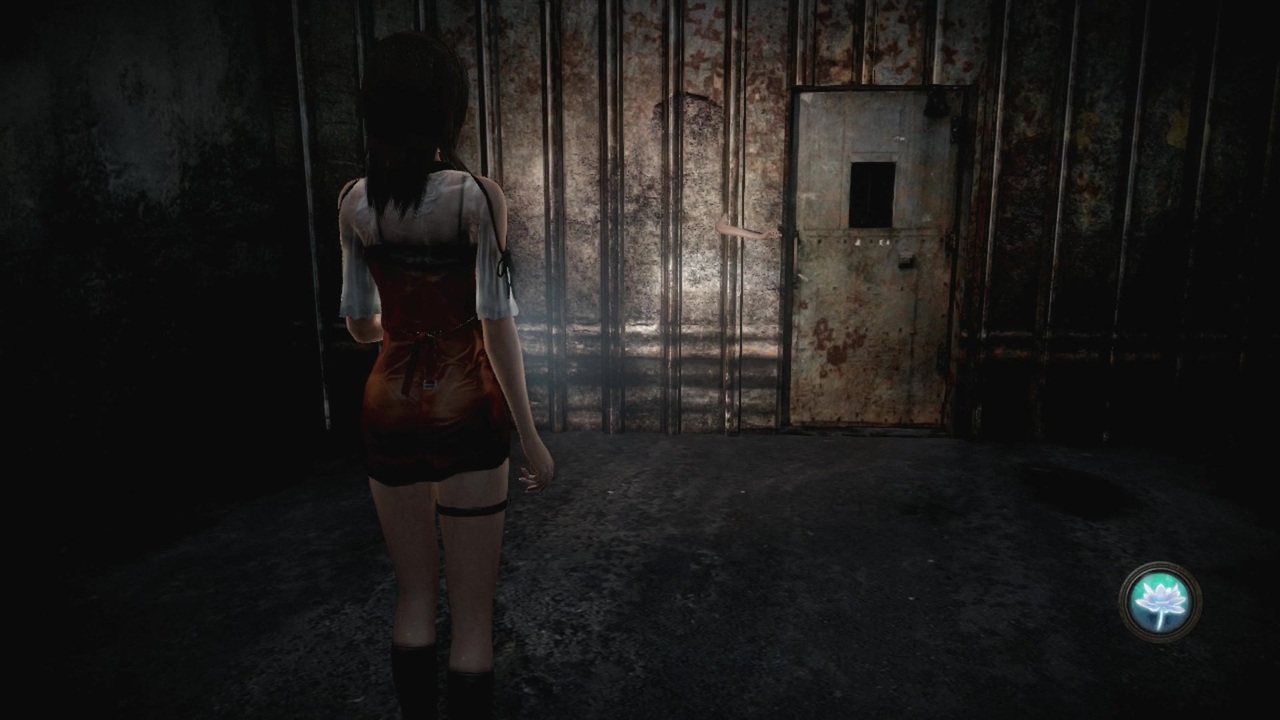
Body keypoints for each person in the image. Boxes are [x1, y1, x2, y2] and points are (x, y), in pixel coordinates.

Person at [337, 30, 555, 720]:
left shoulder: (354, 200)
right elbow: (496, 325)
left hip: (387, 406)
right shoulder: (477, 196)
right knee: (473, 616)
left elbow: (359, 325)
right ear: (448, 112)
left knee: (412, 596)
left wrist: (404, 328)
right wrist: (531, 437)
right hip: (467, 410)